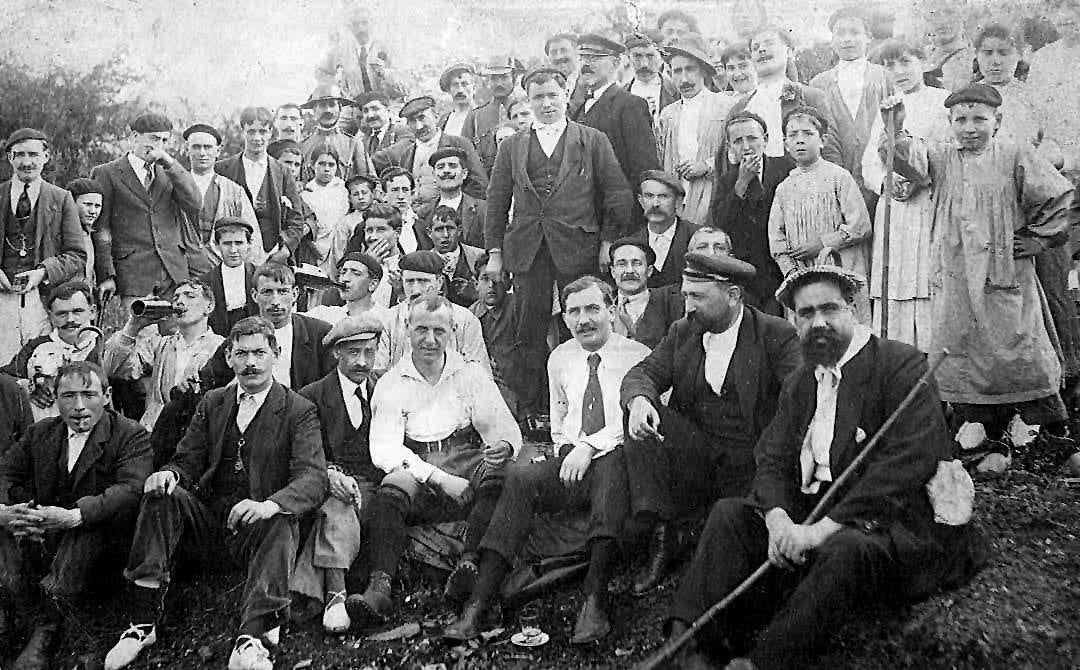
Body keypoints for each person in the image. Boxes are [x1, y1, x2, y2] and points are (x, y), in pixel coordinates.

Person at [663, 265, 982, 670]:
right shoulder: (801, 381)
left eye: (829, 309)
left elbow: (905, 467)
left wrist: (818, 531)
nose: (818, 323)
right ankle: (689, 644)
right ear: (793, 321)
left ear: (854, 308)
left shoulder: (901, 366)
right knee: (729, 514)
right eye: (805, 313)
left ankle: (765, 662)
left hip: (888, 524)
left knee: (845, 549)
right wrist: (779, 519)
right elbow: (773, 457)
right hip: (811, 513)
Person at [103, 317, 327, 670]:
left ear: (275, 354)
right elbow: (187, 459)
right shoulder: (214, 402)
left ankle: (251, 637)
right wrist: (170, 474)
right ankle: (142, 622)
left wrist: (270, 505)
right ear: (228, 359)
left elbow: (312, 478)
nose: (250, 362)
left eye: (259, 353)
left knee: (282, 520)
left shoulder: (298, 410)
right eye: (241, 353)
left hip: (258, 530)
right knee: (163, 494)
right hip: (209, 525)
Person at [443, 277, 649, 643]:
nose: (583, 320)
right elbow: (561, 418)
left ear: (612, 310)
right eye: (574, 312)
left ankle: (594, 602)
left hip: (621, 459)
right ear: (565, 317)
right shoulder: (560, 357)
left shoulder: (638, 356)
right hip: (574, 461)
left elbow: (634, 422)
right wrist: (569, 452)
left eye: (592, 309)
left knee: (612, 467)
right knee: (521, 477)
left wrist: (589, 447)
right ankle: (478, 604)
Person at [882, 84, 1075, 460]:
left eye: (979, 119)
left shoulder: (1014, 154)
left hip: (1002, 269)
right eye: (961, 120)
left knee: (1015, 341)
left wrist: (1039, 239)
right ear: (950, 122)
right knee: (962, 344)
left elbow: (1057, 196)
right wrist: (897, 128)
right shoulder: (941, 156)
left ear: (997, 121)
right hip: (955, 271)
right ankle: (979, 421)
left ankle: (1038, 421)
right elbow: (906, 162)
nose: (970, 128)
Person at [619, 253, 801, 596]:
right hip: (700, 458)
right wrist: (640, 399)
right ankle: (662, 536)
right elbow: (641, 373)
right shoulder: (683, 331)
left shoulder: (775, 334)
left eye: (698, 297)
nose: (688, 305)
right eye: (686, 294)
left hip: (755, 463)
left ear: (733, 295)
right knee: (638, 415)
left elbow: (800, 399)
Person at [346, 295, 520, 624]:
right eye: (421, 329)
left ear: (452, 330)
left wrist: (504, 447)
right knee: (393, 486)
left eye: (439, 331)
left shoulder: (470, 374)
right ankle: (380, 586)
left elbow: (501, 428)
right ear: (408, 328)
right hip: (418, 463)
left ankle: (470, 562)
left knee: (501, 471)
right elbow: (385, 450)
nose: (429, 339)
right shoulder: (391, 383)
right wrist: (439, 479)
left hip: (464, 456)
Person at [485, 67, 632, 413]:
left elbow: (616, 194)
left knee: (582, 324)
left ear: (566, 95)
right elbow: (496, 202)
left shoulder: (592, 139)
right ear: (528, 101)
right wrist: (495, 252)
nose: (546, 103)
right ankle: (533, 409)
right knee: (528, 331)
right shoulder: (512, 146)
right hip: (528, 250)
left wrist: (609, 243)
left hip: (578, 248)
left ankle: (585, 407)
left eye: (553, 95)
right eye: (538, 97)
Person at [0, 361, 150, 670]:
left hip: (103, 548)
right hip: (46, 535)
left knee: (86, 528)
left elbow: (131, 489)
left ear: (107, 395)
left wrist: (73, 517)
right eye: (68, 396)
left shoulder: (130, 434)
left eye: (89, 394)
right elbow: (5, 473)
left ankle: (50, 629)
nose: (79, 406)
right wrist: (7, 512)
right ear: (55, 398)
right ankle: (25, 612)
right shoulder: (41, 432)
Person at [292, 314, 385, 634]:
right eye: (353, 353)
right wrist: (330, 473)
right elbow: (307, 454)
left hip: (376, 483)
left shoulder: (384, 388)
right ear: (336, 354)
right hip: (327, 482)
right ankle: (335, 595)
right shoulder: (311, 396)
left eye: (369, 352)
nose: (362, 362)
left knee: (352, 501)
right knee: (336, 504)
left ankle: (304, 594)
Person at [861, 40, 950, 348]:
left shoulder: (943, 102)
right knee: (896, 281)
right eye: (890, 65)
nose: (898, 71)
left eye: (905, 62)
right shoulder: (888, 106)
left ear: (922, 61)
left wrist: (921, 178)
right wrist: (886, 183)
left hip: (929, 203)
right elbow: (869, 161)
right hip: (895, 209)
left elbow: (946, 152)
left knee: (927, 278)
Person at [91, 115, 199, 312]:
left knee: (173, 337)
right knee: (137, 336)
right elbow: (101, 229)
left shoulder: (170, 172)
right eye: (154, 139)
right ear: (135, 137)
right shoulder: (107, 173)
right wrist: (106, 275)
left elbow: (194, 203)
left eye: (164, 140)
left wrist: (169, 162)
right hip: (133, 274)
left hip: (172, 273)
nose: (159, 146)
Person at [768, 106, 871, 290]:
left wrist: (823, 243)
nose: (800, 140)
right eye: (793, 135)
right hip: (801, 275)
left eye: (808, 134)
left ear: (823, 140)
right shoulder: (783, 189)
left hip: (840, 267)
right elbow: (776, 238)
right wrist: (792, 272)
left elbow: (860, 226)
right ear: (785, 143)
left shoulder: (838, 177)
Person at [102, 279, 224, 431]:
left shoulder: (220, 347)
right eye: (176, 298)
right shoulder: (159, 345)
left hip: (201, 433)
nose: (180, 301)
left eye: (189, 296)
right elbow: (111, 368)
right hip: (157, 433)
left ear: (209, 307)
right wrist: (133, 326)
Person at [720, 27, 840, 173]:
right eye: (755, 48)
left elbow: (830, 151)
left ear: (789, 51)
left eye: (769, 43)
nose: (762, 50)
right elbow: (726, 163)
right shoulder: (740, 108)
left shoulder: (810, 97)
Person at [200, 263, 334, 391]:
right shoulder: (240, 334)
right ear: (254, 295)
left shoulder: (319, 333)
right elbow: (208, 381)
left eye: (283, 292)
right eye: (267, 292)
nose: (275, 301)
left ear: (295, 294)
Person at [711, 111, 795, 315]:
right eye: (738, 141)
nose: (746, 146)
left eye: (752, 138)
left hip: (783, 266)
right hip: (749, 275)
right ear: (730, 147)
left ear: (765, 140)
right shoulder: (727, 179)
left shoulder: (785, 168)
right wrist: (741, 183)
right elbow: (721, 224)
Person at [810, 7, 890, 211]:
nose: (847, 39)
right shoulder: (819, 84)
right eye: (840, 33)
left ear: (868, 37)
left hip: (878, 177)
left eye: (855, 33)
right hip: (834, 179)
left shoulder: (884, 77)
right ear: (832, 40)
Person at [573, 34, 660, 203]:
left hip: (618, 212)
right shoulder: (581, 108)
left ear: (615, 63)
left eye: (595, 58)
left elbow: (644, 169)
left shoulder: (629, 105)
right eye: (582, 58)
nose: (586, 64)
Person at [658, 33, 734, 225]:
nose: (684, 79)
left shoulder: (725, 106)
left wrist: (707, 165)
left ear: (703, 71)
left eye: (690, 70)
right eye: (677, 71)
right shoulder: (667, 115)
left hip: (715, 195)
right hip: (678, 198)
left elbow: (736, 153)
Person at [216, 107, 306, 266]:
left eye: (263, 131)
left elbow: (296, 219)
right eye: (251, 132)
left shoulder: (282, 172)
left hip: (272, 253)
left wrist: (284, 250)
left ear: (271, 132)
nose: (257, 138)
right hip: (233, 253)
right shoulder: (224, 169)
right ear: (242, 131)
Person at [2, 281, 102, 422]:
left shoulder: (103, 347)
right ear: (51, 316)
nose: (70, 319)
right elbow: (5, 378)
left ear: (92, 312)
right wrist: (28, 387)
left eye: (77, 311)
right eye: (62, 314)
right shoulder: (38, 346)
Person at [377, 251, 490, 373]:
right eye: (409, 281)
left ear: (439, 282)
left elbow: (479, 371)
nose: (415, 290)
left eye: (423, 281)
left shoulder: (465, 319)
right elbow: (378, 370)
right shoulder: (388, 320)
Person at [182, 123, 264, 277]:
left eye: (207, 147)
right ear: (187, 150)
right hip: (183, 271)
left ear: (217, 151)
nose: (202, 153)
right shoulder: (174, 187)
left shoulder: (234, 191)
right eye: (196, 147)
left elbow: (253, 237)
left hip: (223, 271)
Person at [372, 96, 488, 201]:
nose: (419, 126)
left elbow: (479, 185)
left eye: (422, 118)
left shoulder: (459, 144)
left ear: (436, 116)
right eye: (412, 121)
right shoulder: (405, 154)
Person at [469, 252, 529, 418]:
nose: (492, 285)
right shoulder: (468, 317)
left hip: (517, 393)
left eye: (498, 278)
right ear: (475, 283)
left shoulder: (518, 308)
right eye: (485, 279)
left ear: (508, 282)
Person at [1026, 0, 1080, 177]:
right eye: (1059, 12)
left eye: (1074, 10)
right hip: (1053, 143)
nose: (1067, 18)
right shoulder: (1044, 57)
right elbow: (1032, 106)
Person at [609, 239, 684, 349]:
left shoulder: (668, 304)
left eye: (637, 263)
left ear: (649, 271)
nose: (629, 271)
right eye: (622, 264)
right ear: (613, 271)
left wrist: (632, 329)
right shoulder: (604, 304)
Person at [629, 170, 699, 288]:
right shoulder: (632, 243)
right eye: (649, 196)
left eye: (663, 196)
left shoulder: (696, 237)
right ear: (641, 201)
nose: (655, 204)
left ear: (678, 201)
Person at [299, 84, 374, 182]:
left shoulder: (353, 144)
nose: (328, 110)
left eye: (332, 105)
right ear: (314, 110)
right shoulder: (303, 146)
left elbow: (368, 181)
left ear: (340, 108)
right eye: (322, 106)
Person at [419, 146, 487, 249]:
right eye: (441, 167)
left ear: (464, 174)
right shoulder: (424, 214)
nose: (446, 171)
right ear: (434, 175)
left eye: (452, 166)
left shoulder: (484, 210)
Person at [344, 203, 406, 309]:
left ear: (397, 232)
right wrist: (366, 265)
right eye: (369, 230)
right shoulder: (350, 267)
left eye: (381, 230)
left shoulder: (408, 267)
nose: (373, 237)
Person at [306, 251, 391, 328]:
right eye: (343, 273)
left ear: (372, 284)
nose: (345, 278)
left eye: (356, 274)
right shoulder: (324, 315)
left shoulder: (387, 319)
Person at [206, 217, 261, 337]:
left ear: (249, 243)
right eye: (227, 244)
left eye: (239, 243)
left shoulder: (260, 276)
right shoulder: (206, 281)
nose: (233, 250)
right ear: (216, 245)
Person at [300, 145, 350, 274]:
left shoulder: (344, 190)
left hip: (340, 246)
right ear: (312, 165)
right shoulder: (306, 192)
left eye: (331, 165)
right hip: (315, 249)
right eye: (322, 164)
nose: (327, 169)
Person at [472, 55, 524, 171]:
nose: (498, 83)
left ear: (514, 78)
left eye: (504, 77)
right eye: (494, 78)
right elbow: (467, 158)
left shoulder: (526, 112)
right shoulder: (475, 117)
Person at [427, 206, 484, 308]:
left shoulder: (479, 257)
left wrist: (476, 293)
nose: (445, 235)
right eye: (439, 229)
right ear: (429, 233)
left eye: (450, 228)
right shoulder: (423, 263)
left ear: (459, 230)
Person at [624, 33, 678, 124]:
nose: (644, 64)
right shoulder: (621, 94)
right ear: (629, 58)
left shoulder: (675, 90)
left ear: (661, 58)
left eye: (650, 56)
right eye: (637, 56)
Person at [923, 1, 976, 91]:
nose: (943, 21)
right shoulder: (921, 58)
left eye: (950, 12)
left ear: (964, 14)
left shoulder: (975, 61)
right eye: (935, 14)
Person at [65, 178, 103, 286]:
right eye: (88, 204)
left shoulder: (89, 234)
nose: (93, 211)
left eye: (97, 206)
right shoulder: (60, 234)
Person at [356, 92, 413, 156]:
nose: (370, 115)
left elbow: (395, 155)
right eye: (365, 111)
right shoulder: (365, 140)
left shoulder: (402, 131)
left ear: (388, 110)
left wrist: (364, 162)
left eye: (375, 109)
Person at [545, 32, 587, 117]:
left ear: (577, 52)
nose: (559, 57)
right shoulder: (547, 85)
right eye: (553, 52)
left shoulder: (589, 80)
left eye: (564, 50)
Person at [438, 63, 479, 140]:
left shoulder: (481, 117)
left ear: (474, 88)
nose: (460, 90)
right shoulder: (443, 121)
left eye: (464, 84)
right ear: (449, 90)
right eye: (455, 85)